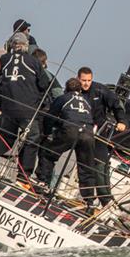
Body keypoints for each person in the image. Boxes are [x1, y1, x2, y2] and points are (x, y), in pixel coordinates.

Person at [0, 32, 49, 179]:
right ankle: (23, 176)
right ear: (25, 46)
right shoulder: (33, 61)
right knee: (32, 139)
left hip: (8, 108)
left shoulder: (5, 59)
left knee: (7, 138)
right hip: (27, 109)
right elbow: (44, 84)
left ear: (12, 46)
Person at [35, 78, 97, 211]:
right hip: (88, 133)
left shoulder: (63, 98)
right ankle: (90, 202)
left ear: (66, 89)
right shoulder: (87, 101)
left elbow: (50, 117)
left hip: (70, 130)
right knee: (86, 168)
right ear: (80, 90)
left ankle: (43, 183)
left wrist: (47, 134)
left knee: (48, 153)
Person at [78, 66, 126, 207]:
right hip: (81, 132)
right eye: (83, 80)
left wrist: (121, 121)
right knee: (85, 166)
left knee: (100, 166)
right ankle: (88, 200)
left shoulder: (100, 89)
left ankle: (106, 200)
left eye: (89, 80)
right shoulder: (74, 91)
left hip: (99, 133)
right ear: (78, 79)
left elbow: (116, 104)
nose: (86, 83)